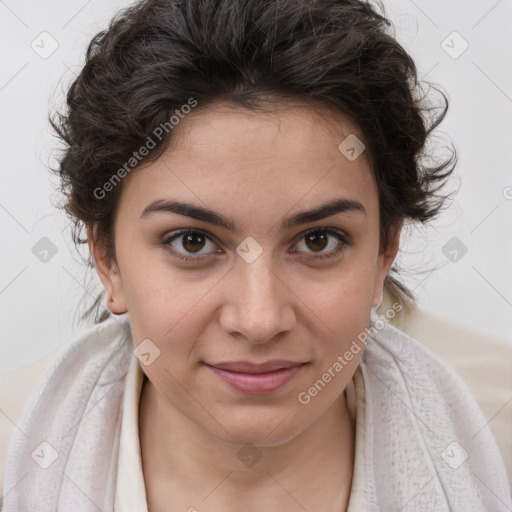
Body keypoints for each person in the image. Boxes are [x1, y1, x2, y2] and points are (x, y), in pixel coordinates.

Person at [2, 0, 511, 510]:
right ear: (107, 259)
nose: (260, 320)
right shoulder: (13, 455)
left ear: (384, 251)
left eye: (318, 240)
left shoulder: (497, 443)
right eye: (193, 242)